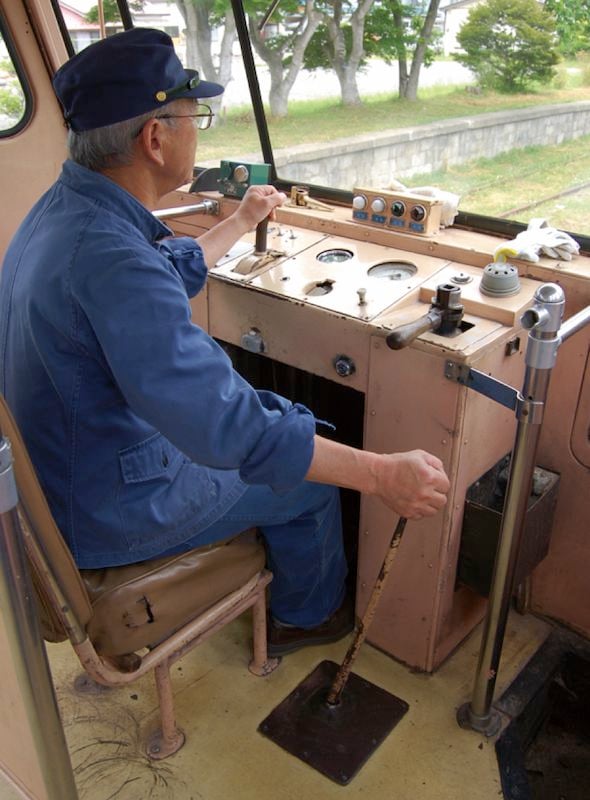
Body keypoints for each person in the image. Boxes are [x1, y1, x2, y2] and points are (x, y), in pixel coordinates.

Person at [0, 28, 449, 657]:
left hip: (64, 481)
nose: (197, 132)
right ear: (155, 139)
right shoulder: (112, 260)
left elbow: (155, 276)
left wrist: (240, 222)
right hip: (111, 507)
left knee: (283, 423)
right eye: (194, 117)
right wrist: (380, 474)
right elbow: (227, 429)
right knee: (312, 480)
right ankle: (308, 616)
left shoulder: (65, 214)